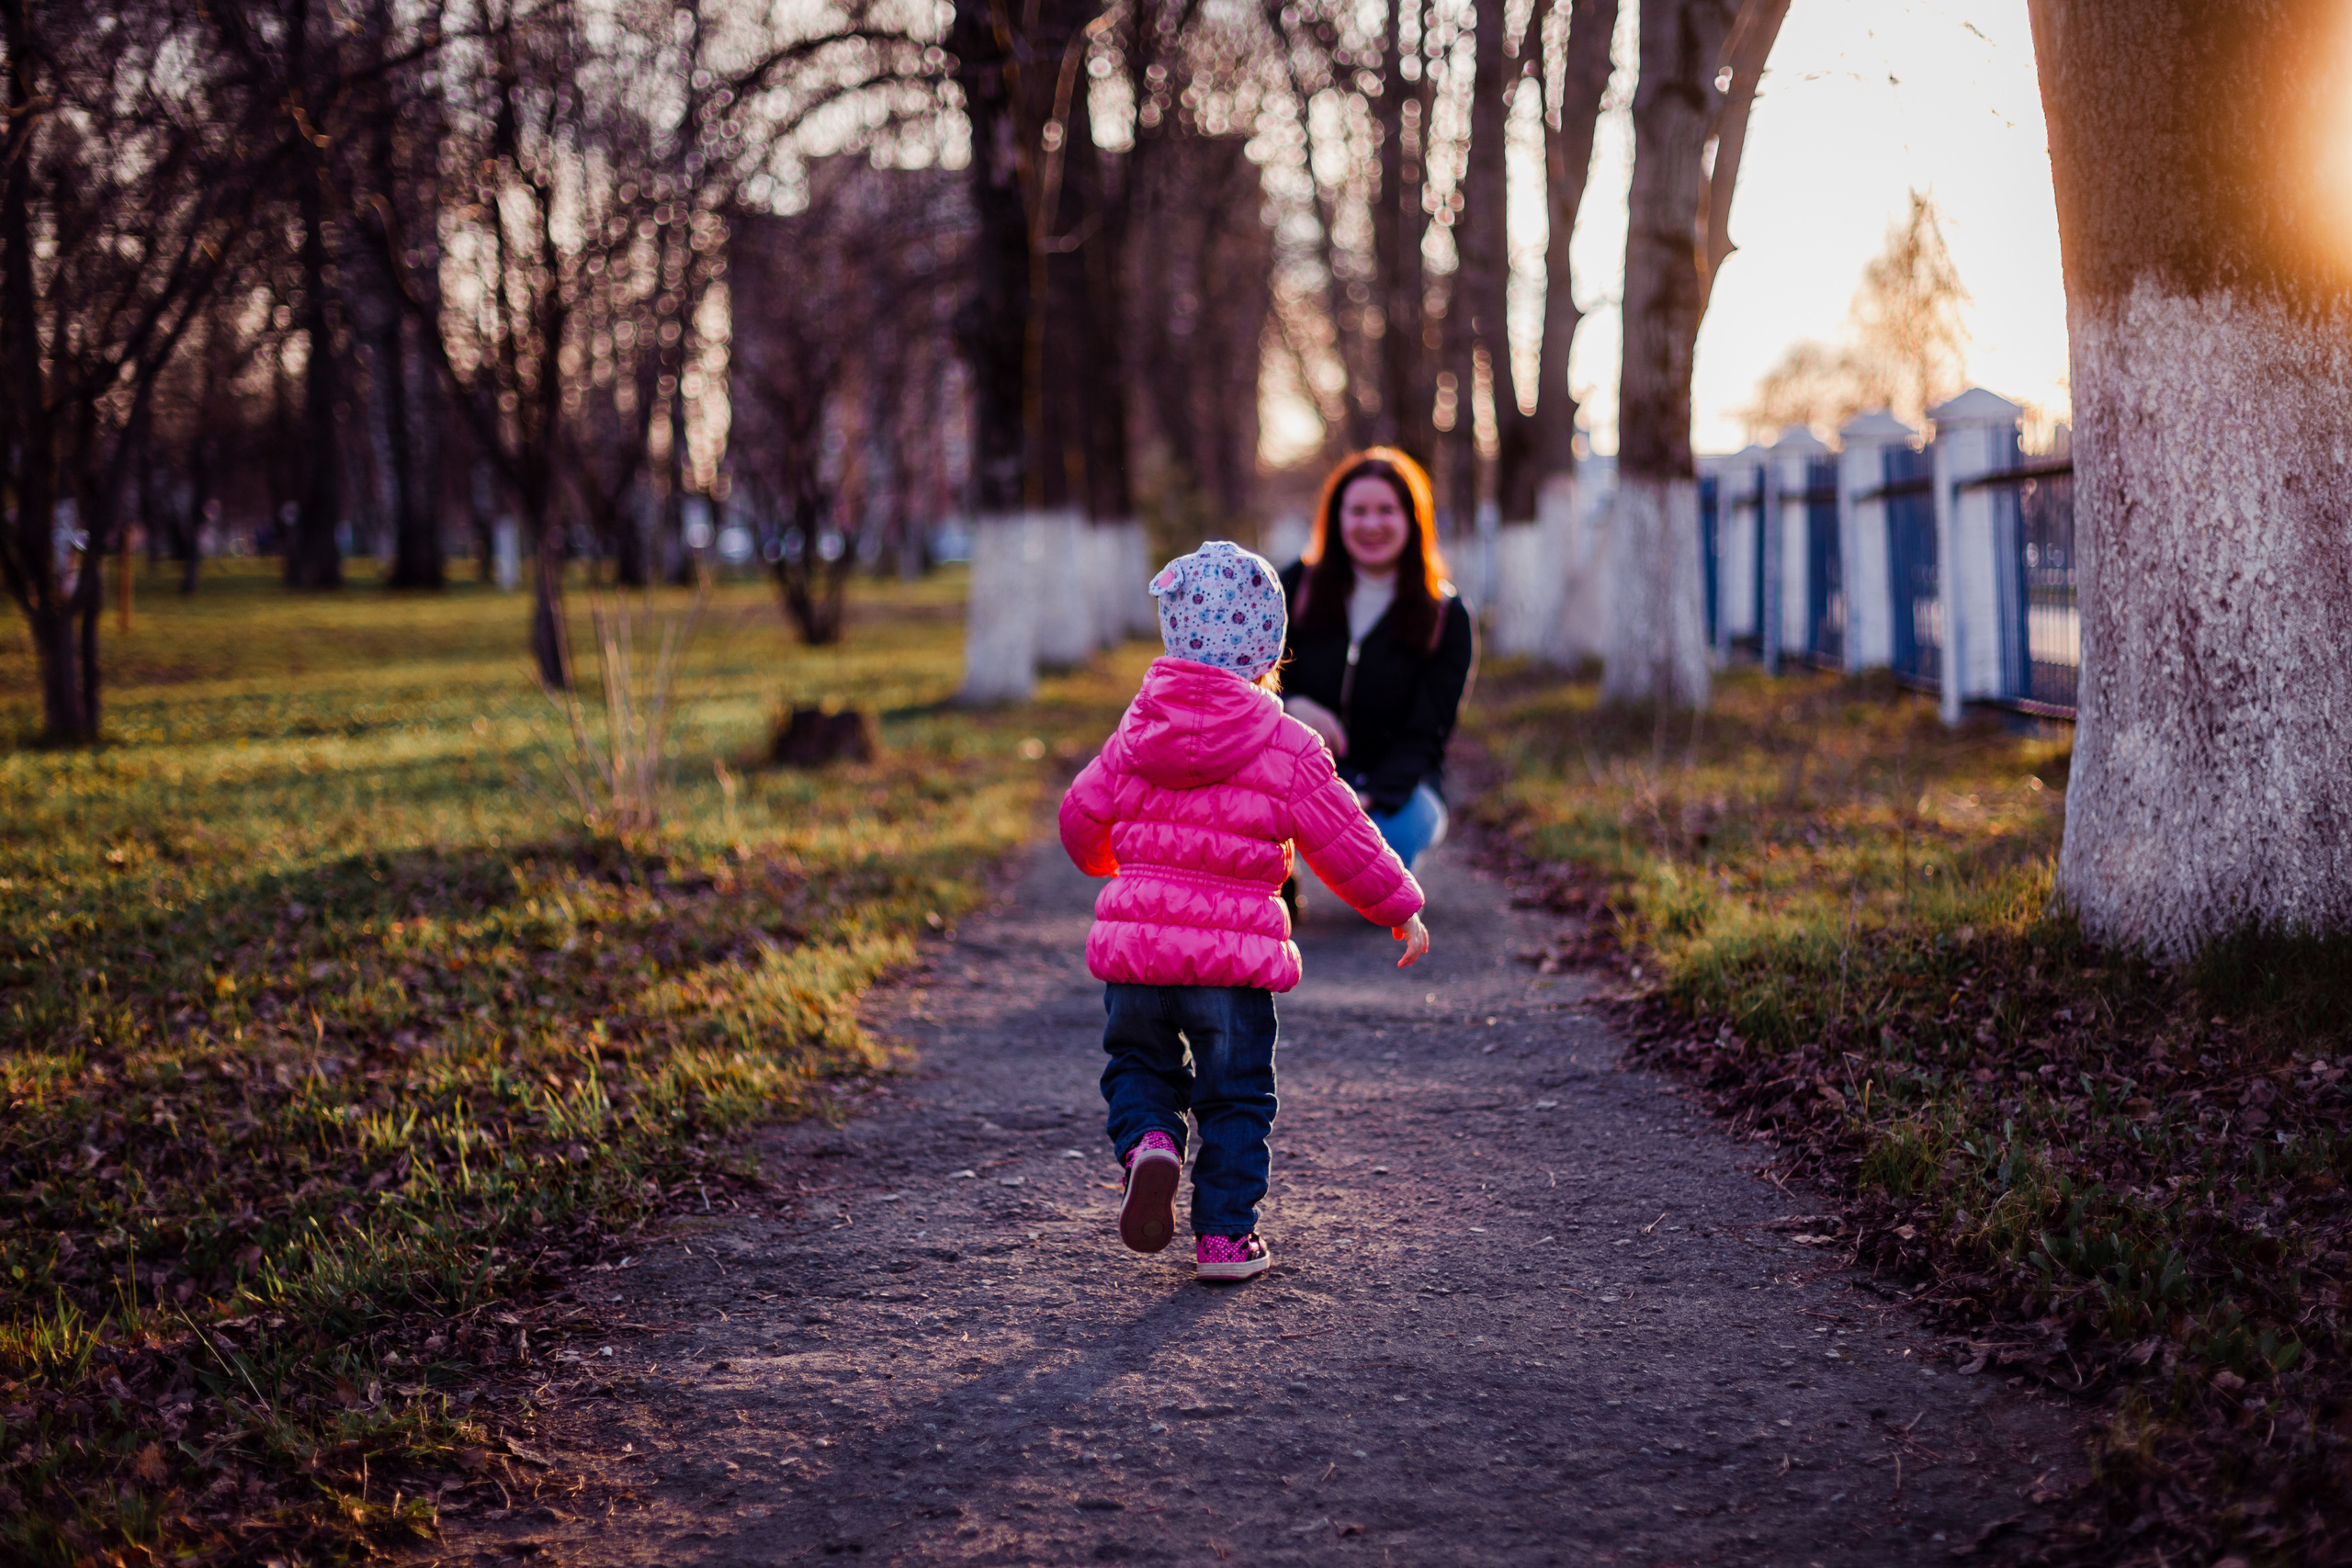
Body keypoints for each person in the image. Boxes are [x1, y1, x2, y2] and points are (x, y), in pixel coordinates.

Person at [1059, 541, 1431, 1283]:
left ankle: (1151, 1143)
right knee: (1236, 1094)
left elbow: (1079, 817)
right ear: (1270, 646)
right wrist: (1400, 905)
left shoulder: (1137, 730)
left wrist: (1114, 867)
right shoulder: (1287, 744)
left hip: (1136, 959)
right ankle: (1226, 1238)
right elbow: (1344, 837)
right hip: (1230, 967)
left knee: (1137, 1062)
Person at [1276, 448, 1476, 905]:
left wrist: (1370, 795)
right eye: (1358, 511)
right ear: (1336, 518)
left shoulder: (1447, 616)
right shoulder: (1293, 588)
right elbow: (1241, 681)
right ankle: (1274, 880)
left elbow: (1428, 733)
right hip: (1294, 770)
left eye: (1387, 510)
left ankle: (1378, 871)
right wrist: (1288, 706)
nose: (1371, 525)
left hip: (1390, 783)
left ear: (1413, 519)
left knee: (1404, 831)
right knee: (1237, 798)